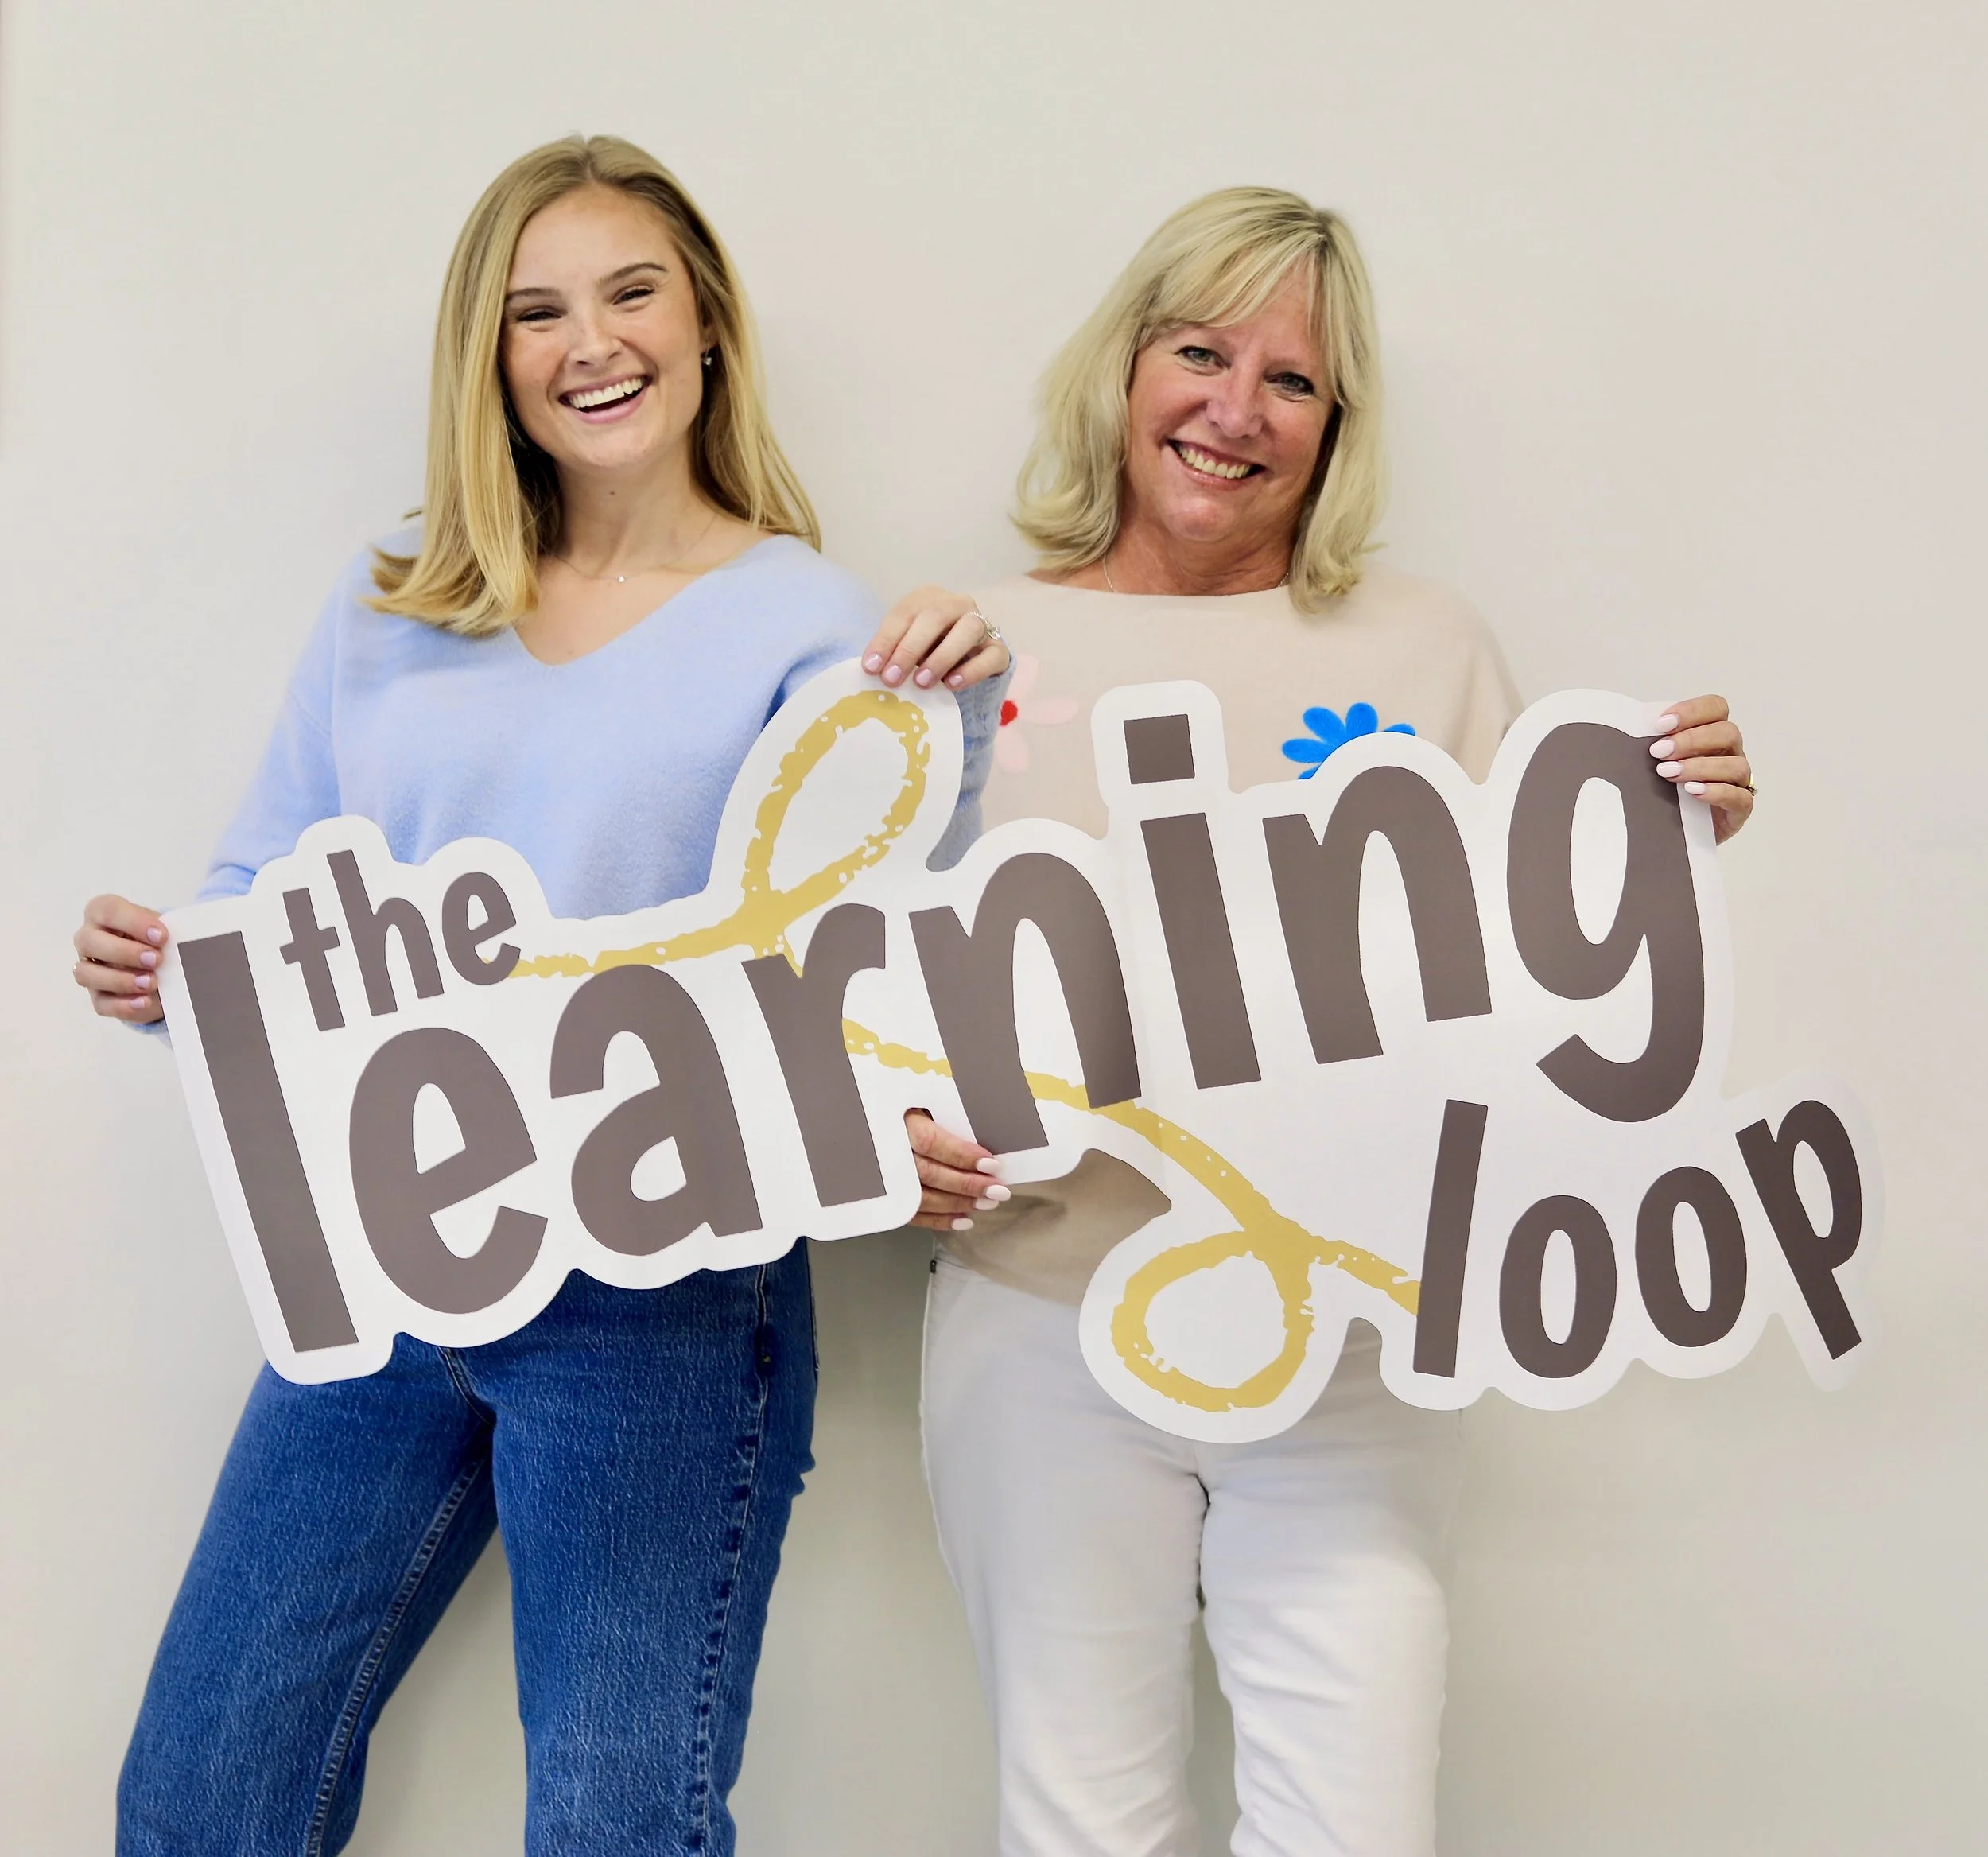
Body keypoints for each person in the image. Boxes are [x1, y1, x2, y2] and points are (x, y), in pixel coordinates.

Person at [71, 134, 1008, 1857]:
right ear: (487, 359)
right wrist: (174, 969)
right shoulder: (399, 598)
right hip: (388, 1254)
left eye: (632, 291)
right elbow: (263, 893)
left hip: (662, 1293)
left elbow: (875, 944)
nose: (593, 343)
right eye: (537, 312)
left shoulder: (813, 622)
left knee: (614, 1825)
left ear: (707, 323)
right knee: (204, 1797)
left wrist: (942, 739)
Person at [868, 187, 1754, 1856]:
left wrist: (1673, 835)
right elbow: (861, 990)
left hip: (1356, 1338)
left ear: (1335, 426)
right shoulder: (977, 656)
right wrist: (879, 1143)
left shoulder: (1422, 646)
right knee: (1075, 1826)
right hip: (1038, 1325)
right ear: (1122, 368)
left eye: (1291, 381)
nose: (1232, 412)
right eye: (1198, 352)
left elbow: (1545, 987)